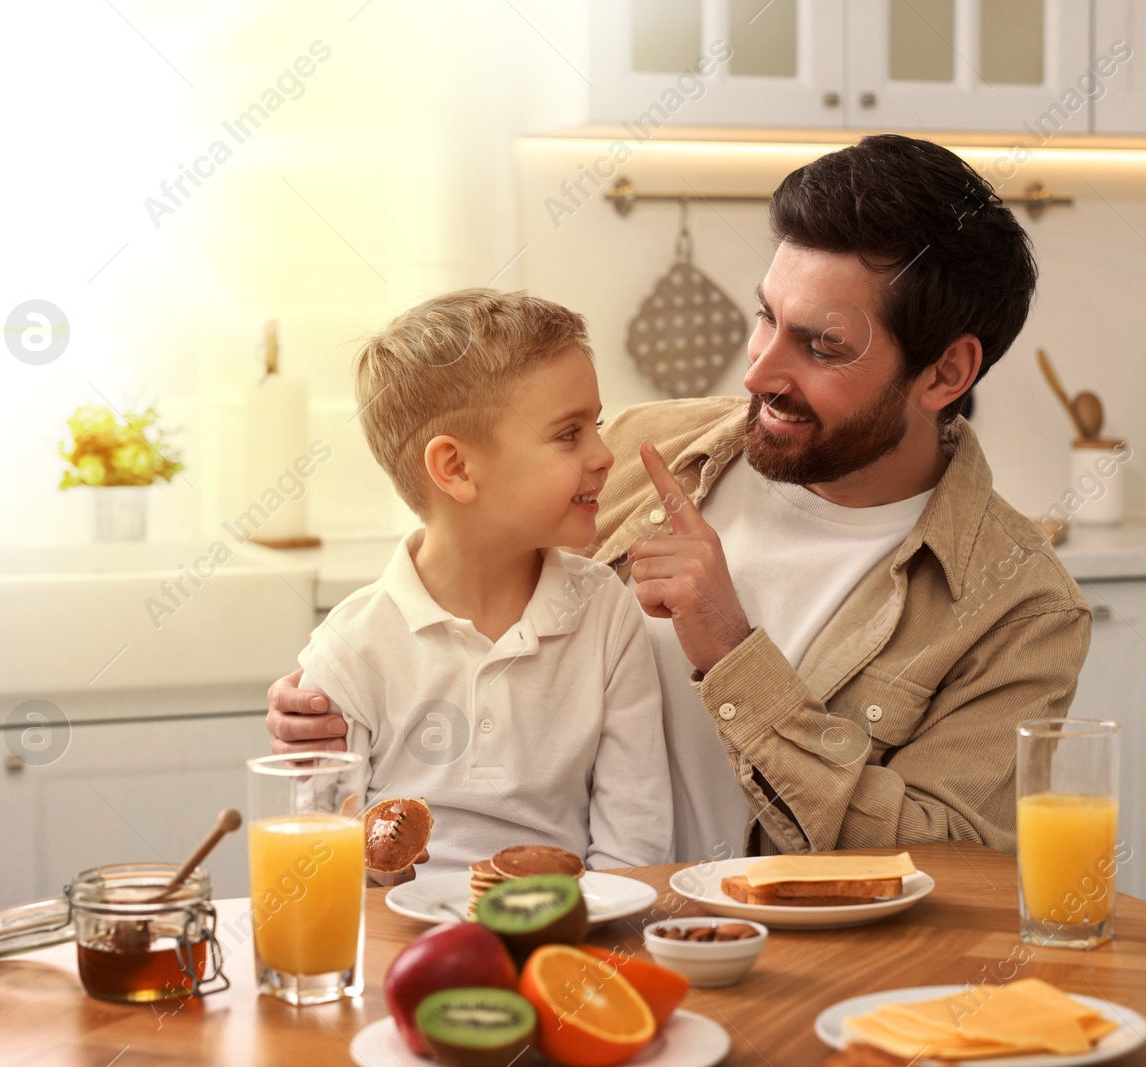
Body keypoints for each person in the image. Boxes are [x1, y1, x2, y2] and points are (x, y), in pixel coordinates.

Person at [270, 135, 1089, 859]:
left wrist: (733, 651)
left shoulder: (1020, 606)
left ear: (946, 373)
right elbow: (460, 586)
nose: (759, 371)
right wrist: (342, 706)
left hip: (799, 980)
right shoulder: (631, 449)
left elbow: (950, 865)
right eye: (766, 318)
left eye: (822, 345)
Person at [296, 288, 672, 884]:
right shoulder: (350, 648)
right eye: (569, 434)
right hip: (402, 949)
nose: (604, 454)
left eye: (595, 425)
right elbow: (319, 866)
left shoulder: (605, 613)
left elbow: (637, 840)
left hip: (564, 931)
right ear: (456, 469)